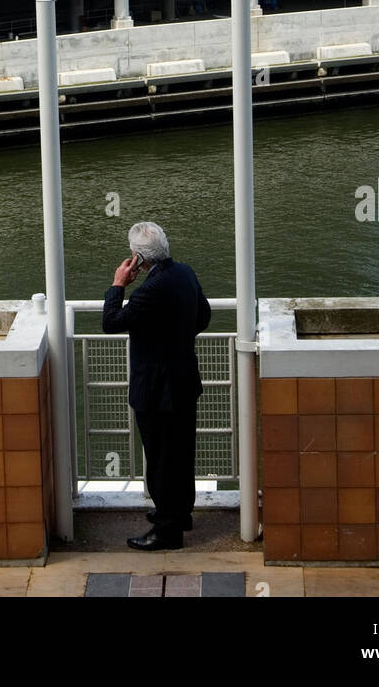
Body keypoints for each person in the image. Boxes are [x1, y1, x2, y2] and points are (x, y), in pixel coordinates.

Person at [102, 221, 210, 550]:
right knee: (180, 453)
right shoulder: (185, 273)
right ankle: (179, 515)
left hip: (156, 389)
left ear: (137, 258)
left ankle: (167, 531)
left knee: (161, 458)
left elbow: (110, 323)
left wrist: (118, 285)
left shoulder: (148, 291)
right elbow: (203, 315)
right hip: (183, 379)